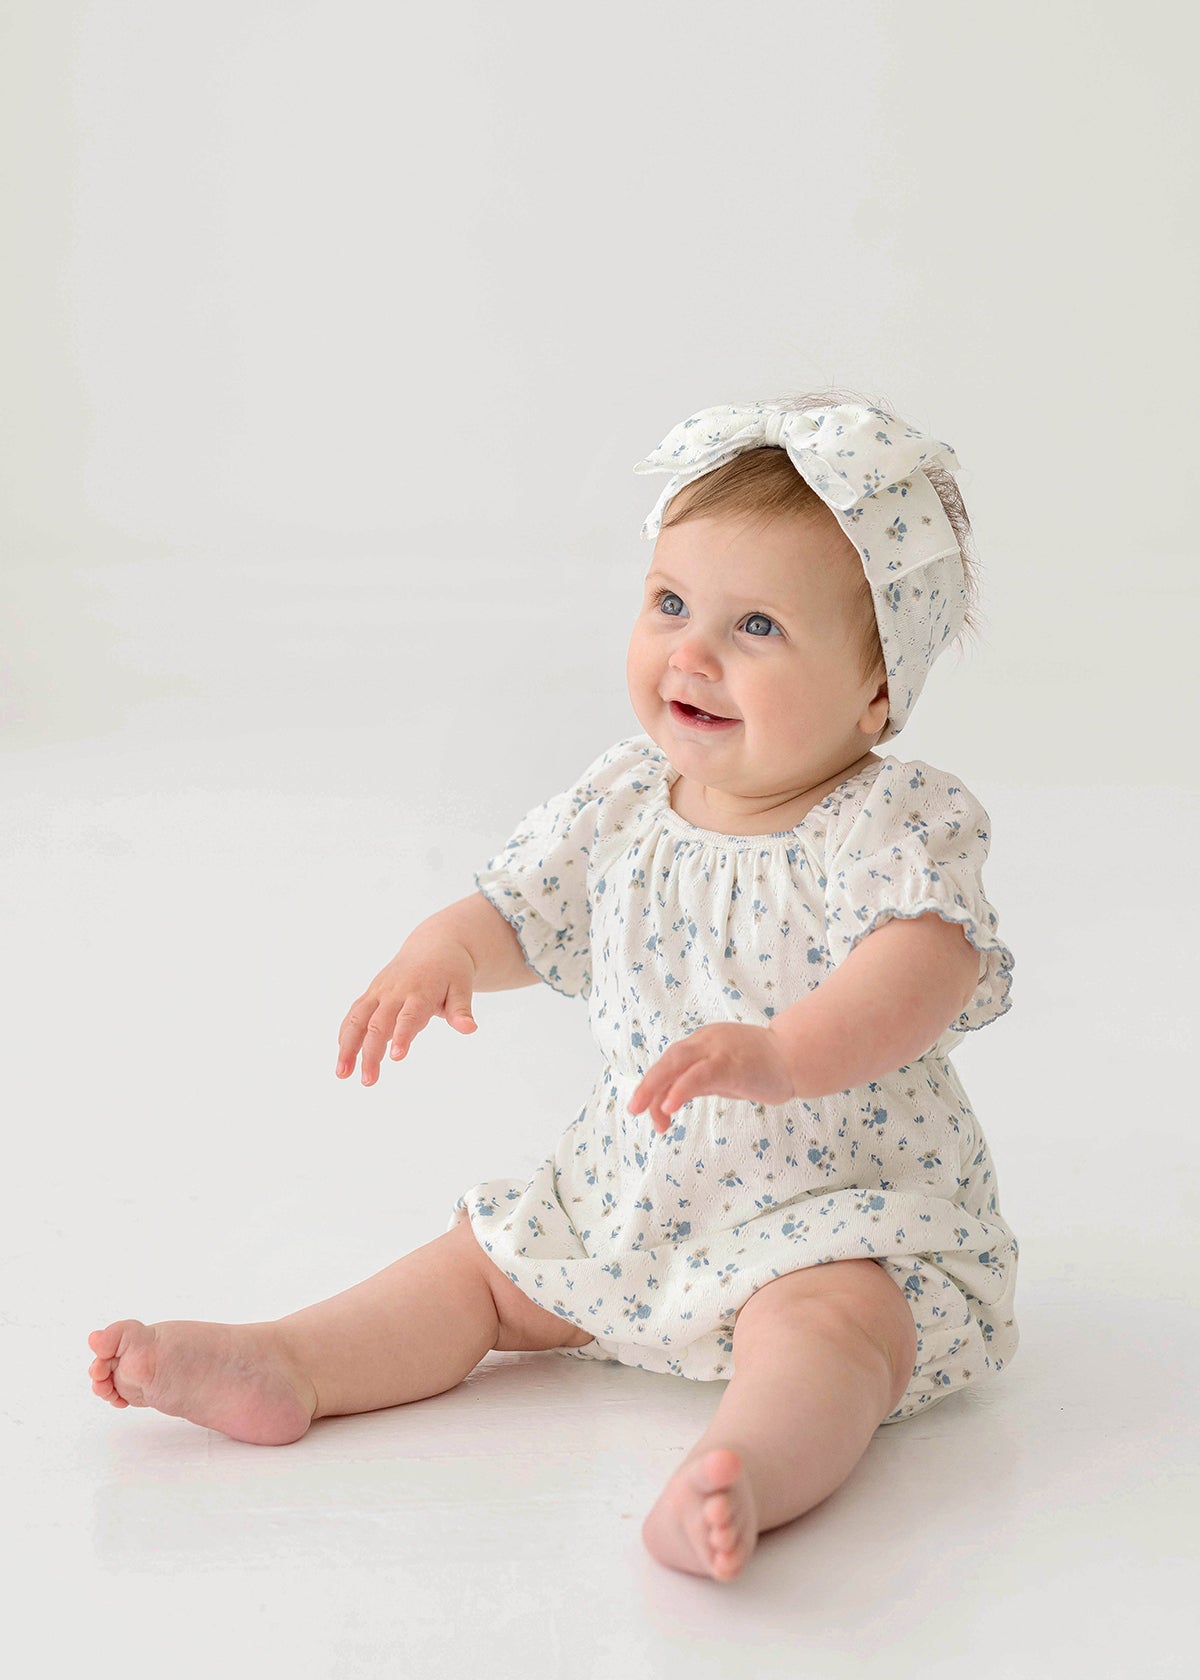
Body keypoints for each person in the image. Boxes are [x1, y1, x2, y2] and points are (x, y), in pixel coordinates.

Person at [86, 390, 1019, 1585]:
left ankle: (742, 1470)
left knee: (835, 1336)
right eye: (671, 604)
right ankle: (293, 1362)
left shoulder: (888, 822)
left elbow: (924, 966)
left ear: (877, 690)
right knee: (480, 1269)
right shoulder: (624, 799)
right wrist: (443, 950)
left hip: (832, 1209)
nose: (691, 653)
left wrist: (787, 1052)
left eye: (757, 627)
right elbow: (525, 908)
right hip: (632, 1193)